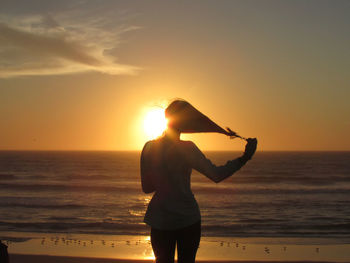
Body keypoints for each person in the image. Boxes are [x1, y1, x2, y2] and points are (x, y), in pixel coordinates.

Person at [140, 100, 257, 263]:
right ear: (185, 122)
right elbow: (216, 175)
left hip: (160, 219)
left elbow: (147, 188)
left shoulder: (149, 147)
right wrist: (245, 158)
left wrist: (163, 173)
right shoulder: (187, 148)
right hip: (188, 219)